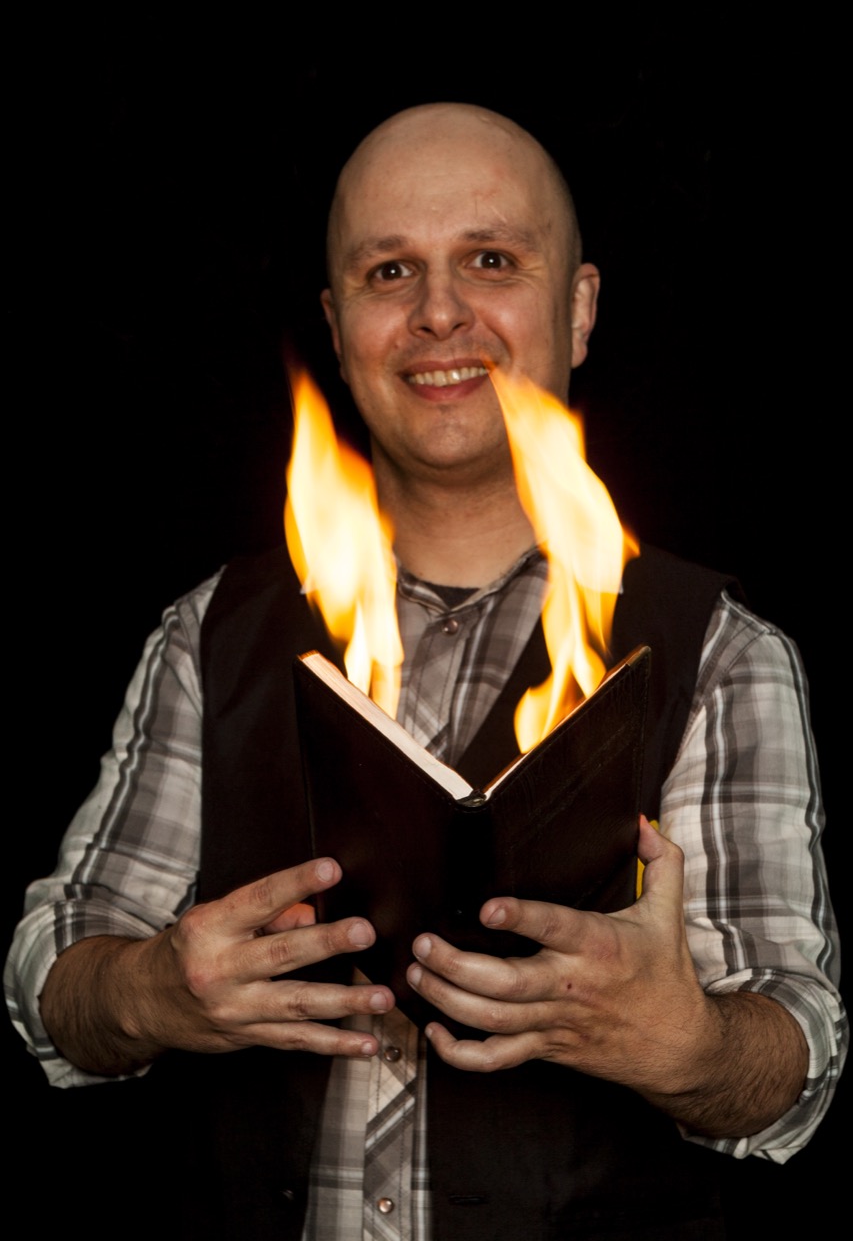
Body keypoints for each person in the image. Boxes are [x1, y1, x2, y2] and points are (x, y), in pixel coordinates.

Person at [5, 104, 845, 1240]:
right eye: (389, 270)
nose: (439, 313)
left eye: (490, 260)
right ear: (336, 322)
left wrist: (691, 1044)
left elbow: (791, 1062)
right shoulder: (211, 635)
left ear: (579, 308)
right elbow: (55, 980)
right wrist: (147, 988)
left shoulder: (721, 654)